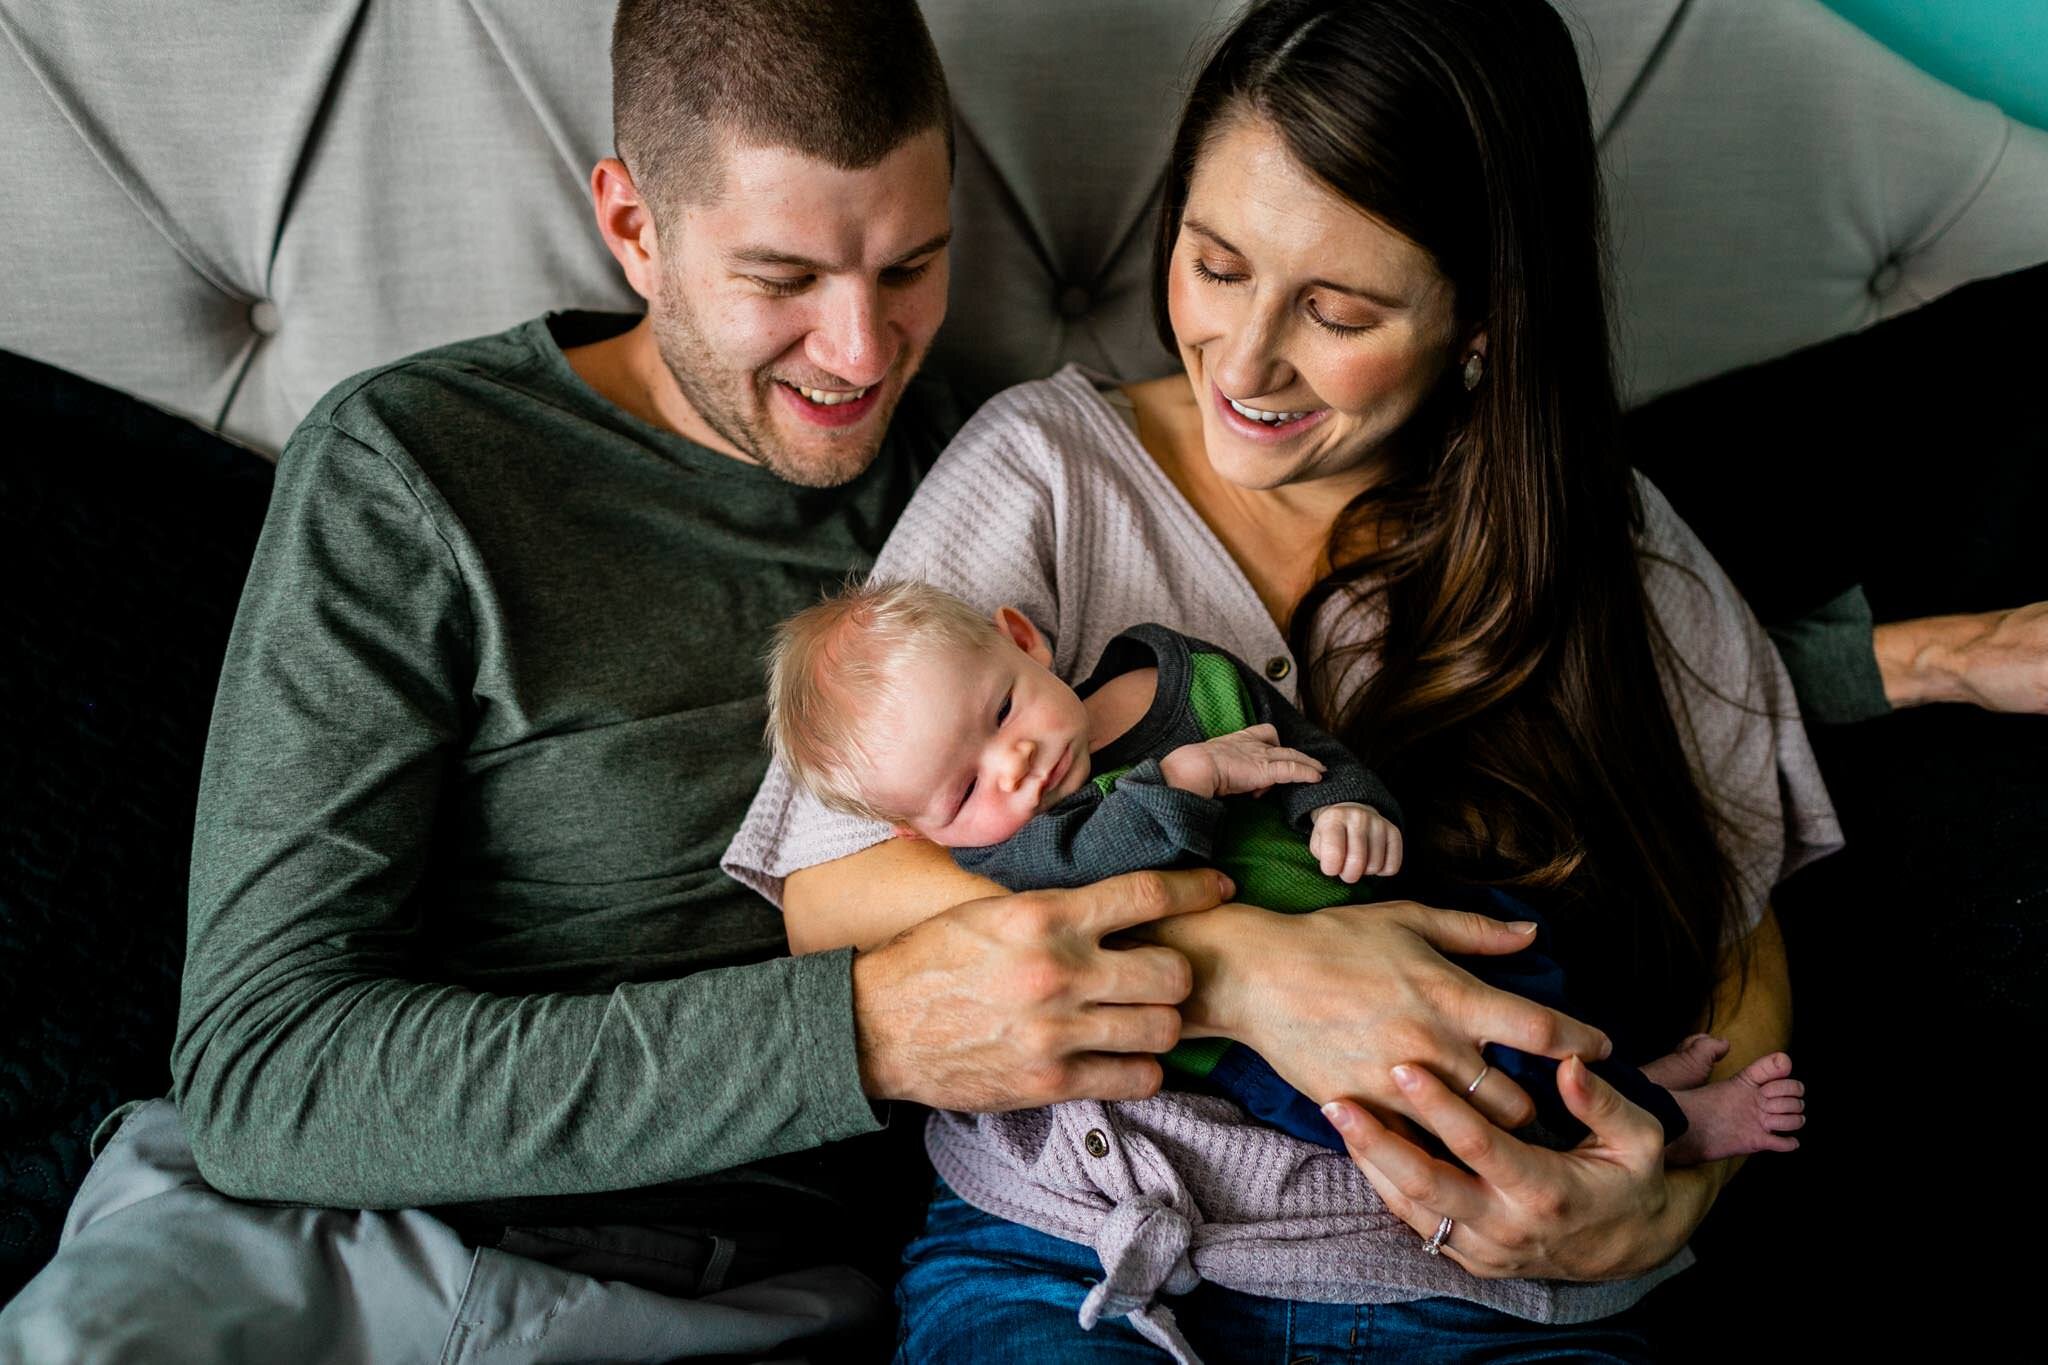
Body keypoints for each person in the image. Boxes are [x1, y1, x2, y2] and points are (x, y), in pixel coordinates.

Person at [0, 2, 1258, 1360]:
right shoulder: (416, 467)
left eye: (914, 265)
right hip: (355, 1247)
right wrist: (863, 1032)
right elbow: (267, 1077)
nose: (861, 351)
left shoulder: (996, 483)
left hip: (777, 1299)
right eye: (784, 280)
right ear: (632, 224)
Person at [721, 0, 1842, 1359]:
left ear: (1481, 318)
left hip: (1477, 1290)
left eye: (1338, 309)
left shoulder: (1592, 534)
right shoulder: (1049, 474)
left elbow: (1737, 919)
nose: (1243, 364)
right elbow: (832, 888)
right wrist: (1242, 968)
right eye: (1216, 263)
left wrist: (1664, 1202)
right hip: (1087, 1249)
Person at [763, 577, 1806, 1168]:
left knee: (1536, 965)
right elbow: (1093, 863)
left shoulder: (1175, 669)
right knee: (1436, 1094)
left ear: (1021, 638)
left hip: (1391, 909)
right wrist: (1180, 780)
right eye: (959, 791)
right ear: (917, 835)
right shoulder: (1016, 846)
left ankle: (1625, 1085)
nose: (1016, 767)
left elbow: (1303, 740)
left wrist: (1344, 804)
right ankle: (1669, 1134)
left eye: (998, 712)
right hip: (1259, 1046)